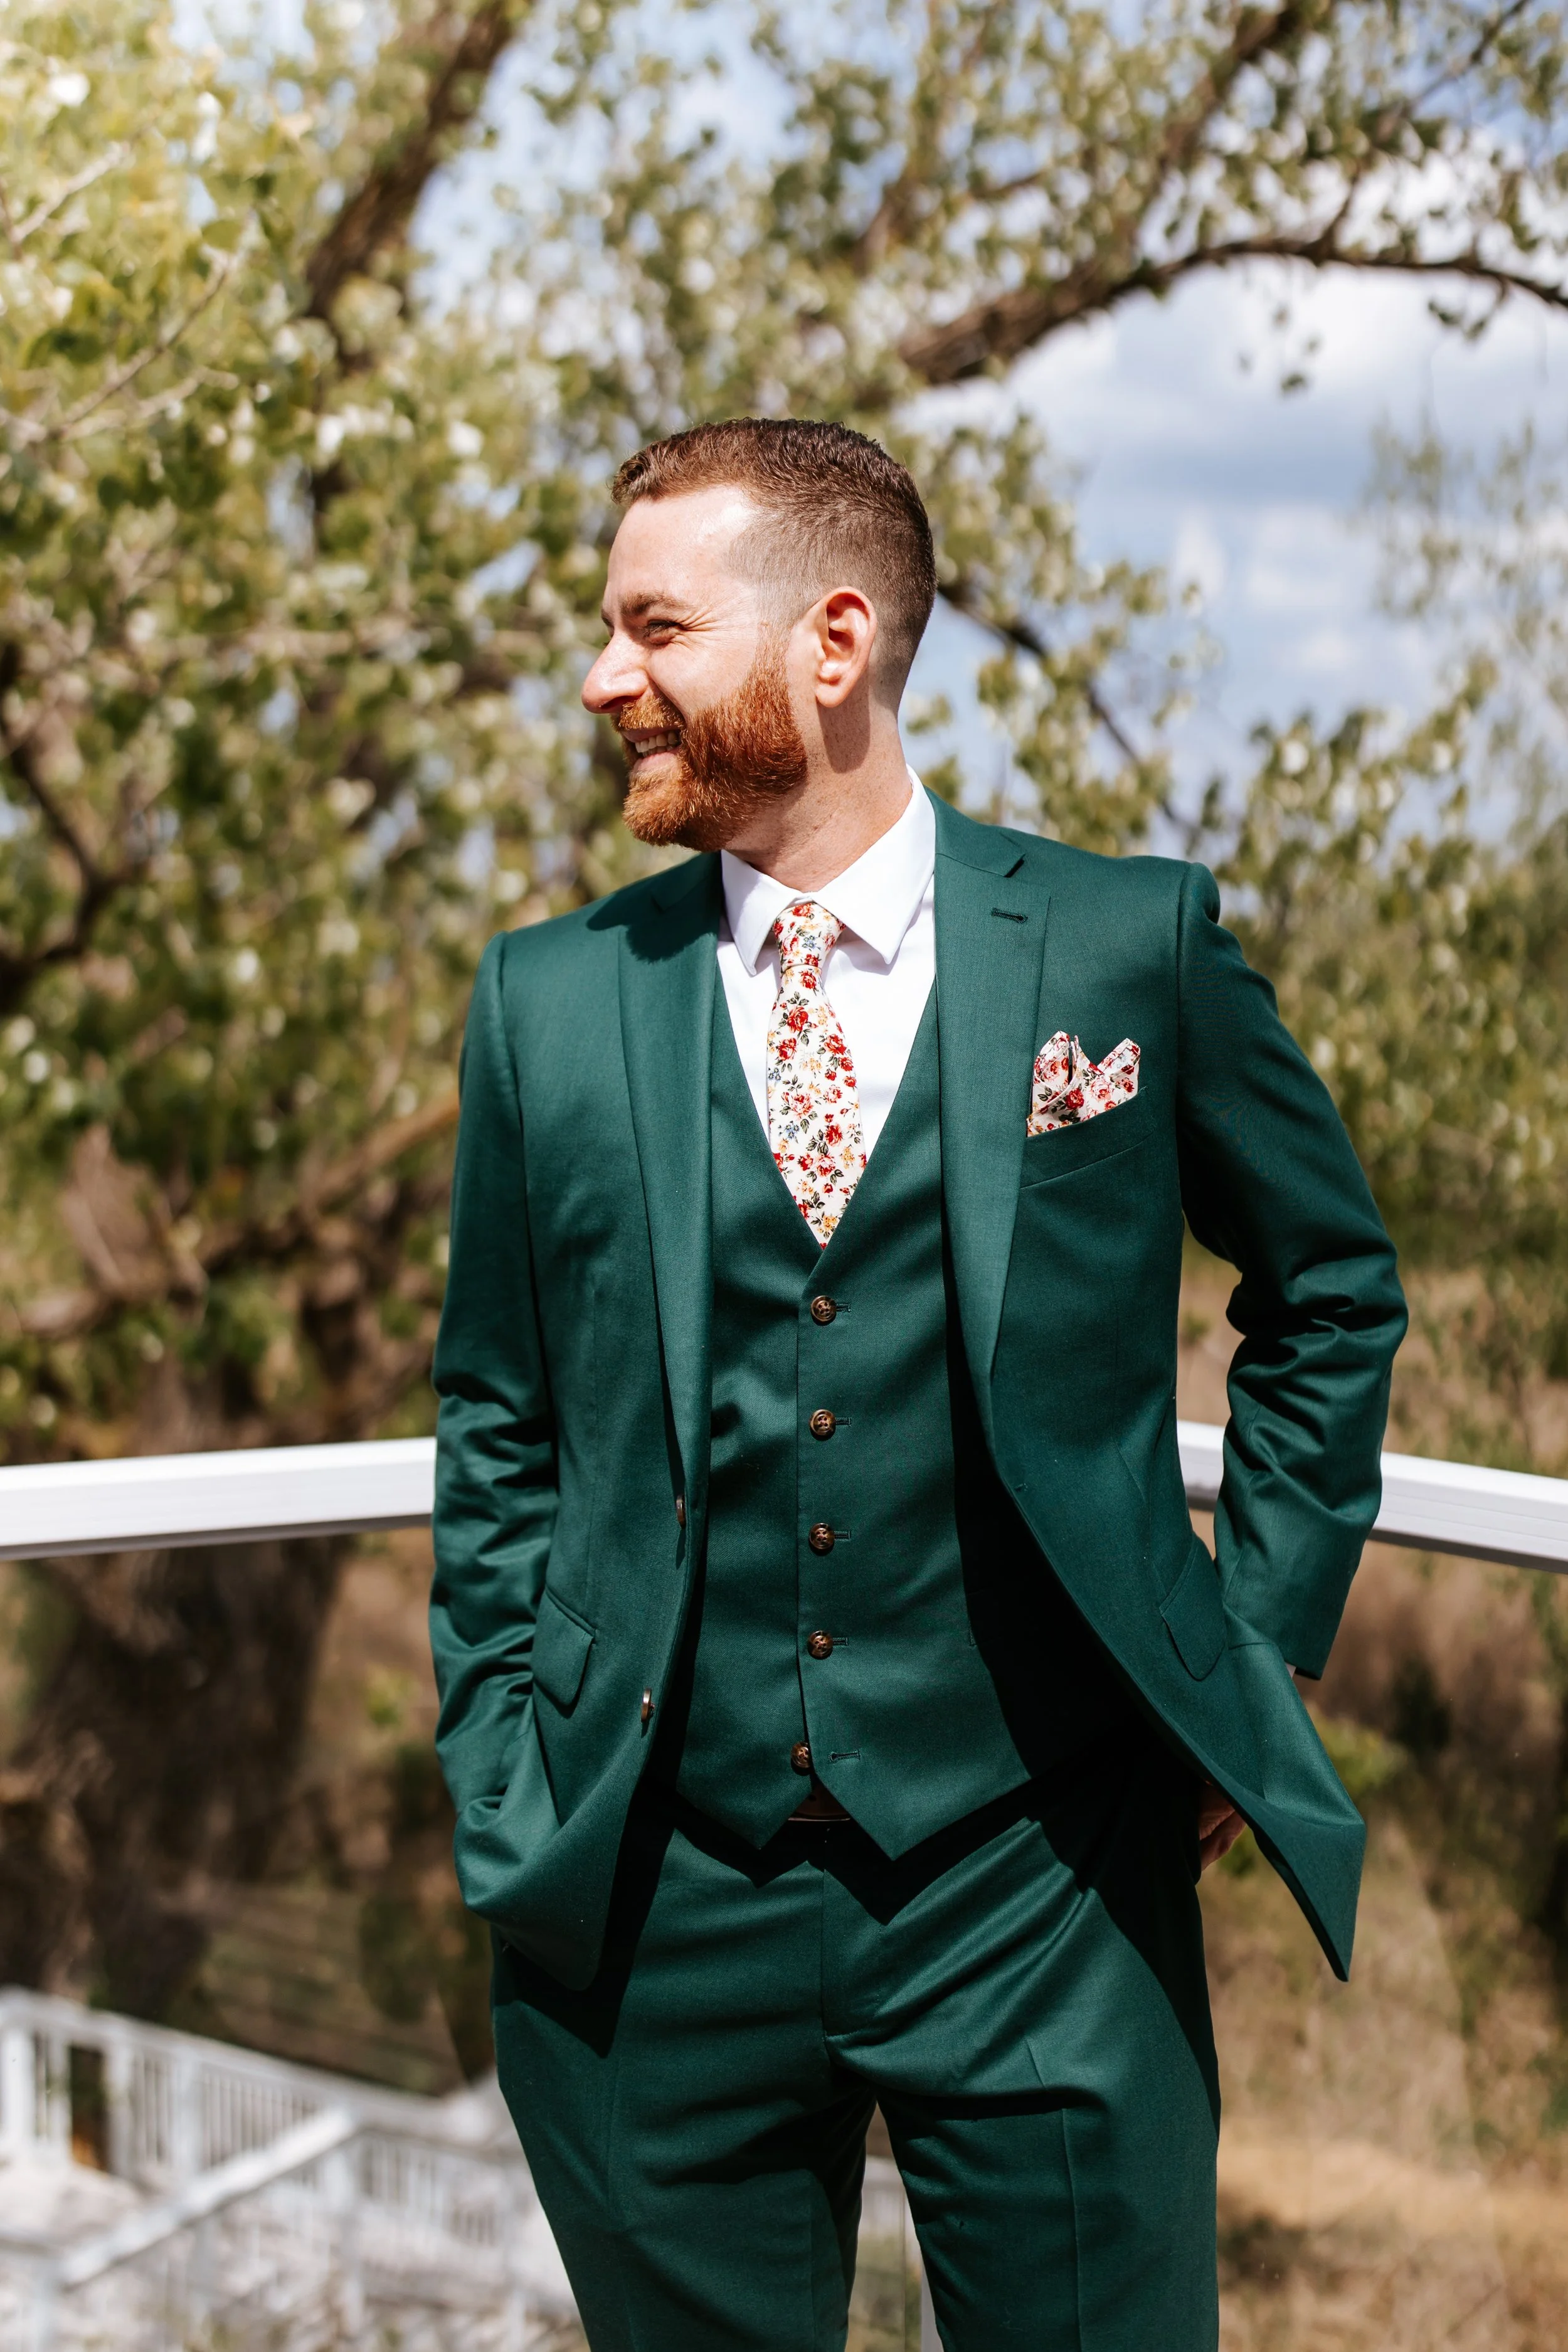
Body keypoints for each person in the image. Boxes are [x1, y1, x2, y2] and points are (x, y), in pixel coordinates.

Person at [429, 418, 1407, 2351]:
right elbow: (500, 1418)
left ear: (833, 640)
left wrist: (1254, 1644)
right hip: (648, 1897)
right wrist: (497, 1750)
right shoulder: (547, 1003)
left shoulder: (1127, 949)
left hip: (1041, 1886)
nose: (601, 675)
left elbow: (1328, 1287)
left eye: (653, 625)